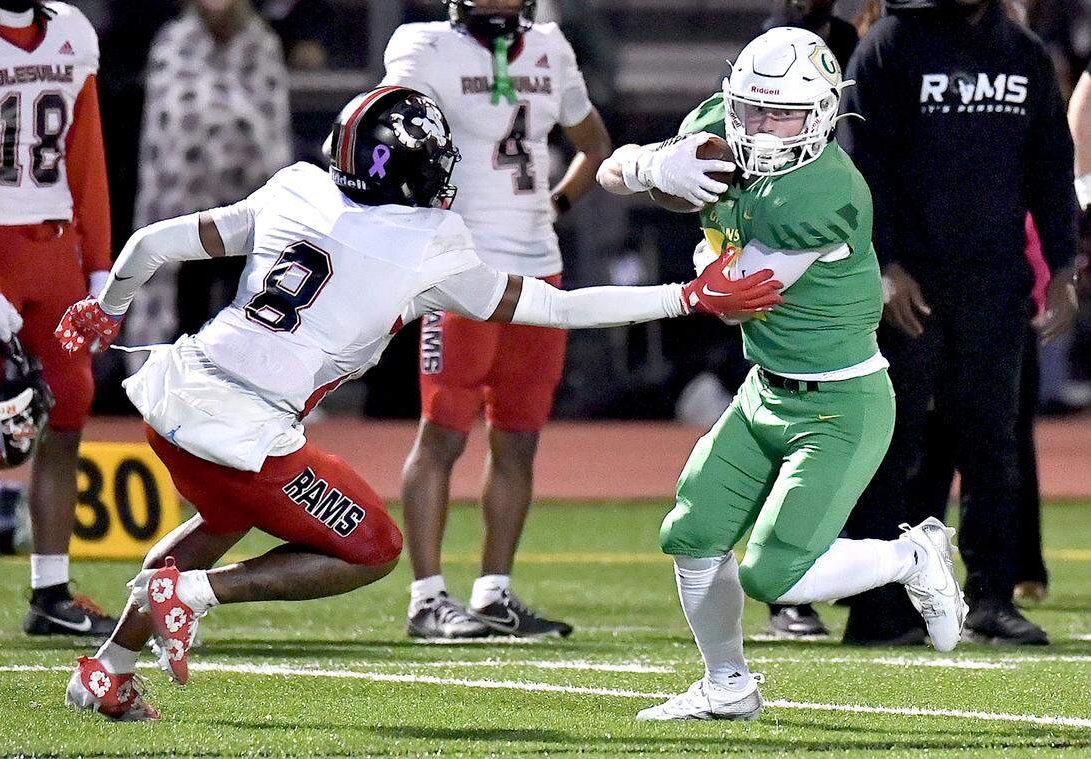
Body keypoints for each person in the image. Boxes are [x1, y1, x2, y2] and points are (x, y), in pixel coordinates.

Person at [55, 86, 783, 721]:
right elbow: (557, 309)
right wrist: (684, 296)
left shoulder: (295, 188)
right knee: (373, 546)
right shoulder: (432, 241)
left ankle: (109, 670)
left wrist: (105, 307)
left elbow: (151, 243)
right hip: (243, 426)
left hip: (175, 397)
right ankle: (191, 594)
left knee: (225, 516)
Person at [596, 27, 966, 722]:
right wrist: (650, 165)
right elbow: (610, 174)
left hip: (840, 403)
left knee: (776, 573)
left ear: (822, 115)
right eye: (753, 110)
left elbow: (734, 297)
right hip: (765, 388)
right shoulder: (719, 122)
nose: (761, 127)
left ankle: (912, 555)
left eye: (782, 114)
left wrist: (680, 200)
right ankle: (728, 684)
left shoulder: (826, 190)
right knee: (692, 529)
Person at [838, 0, 1078, 647]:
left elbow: (1052, 164)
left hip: (996, 280)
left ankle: (992, 597)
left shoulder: (1023, 53)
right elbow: (857, 165)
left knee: (992, 444)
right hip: (909, 281)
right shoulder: (888, 45)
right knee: (895, 444)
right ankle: (879, 608)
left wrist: (1062, 264)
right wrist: (883, 262)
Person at [382, 0, 613, 639]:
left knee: (519, 437)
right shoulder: (423, 46)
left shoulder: (551, 46)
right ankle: (427, 598)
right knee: (444, 432)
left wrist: (556, 203)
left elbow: (594, 145)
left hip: (540, 270)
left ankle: (494, 593)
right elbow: (382, 138)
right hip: (461, 272)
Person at [0, 0, 116, 638]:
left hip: (52, 249)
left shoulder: (73, 31)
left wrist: (101, 264)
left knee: (70, 407)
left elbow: (88, 157)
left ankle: (51, 590)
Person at [127, 0, 291, 355]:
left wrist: (225, 117)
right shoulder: (174, 41)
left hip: (248, 192)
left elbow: (270, 124)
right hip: (182, 196)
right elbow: (177, 114)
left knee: (250, 288)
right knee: (188, 299)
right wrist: (233, 114)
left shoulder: (262, 44)